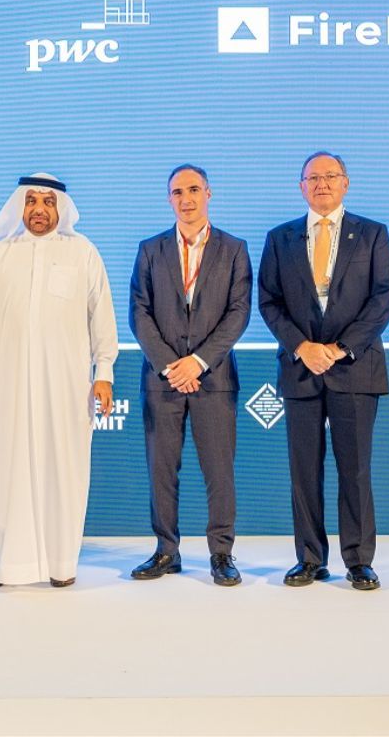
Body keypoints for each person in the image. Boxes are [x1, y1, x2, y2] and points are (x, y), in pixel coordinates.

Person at [0, 174, 118, 588]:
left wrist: (104, 374)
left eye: (48, 202)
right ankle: (9, 563)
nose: (38, 209)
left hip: (67, 387)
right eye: (31, 200)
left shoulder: (83, 252)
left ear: (60, 209)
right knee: (8, 471)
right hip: (10, 386)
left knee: (64, 470)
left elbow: (102, 317)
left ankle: (61, 564)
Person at [257, 151, 389, 591]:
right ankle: (310, 558)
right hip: (301, 369)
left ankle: (359, 561)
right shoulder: (279, 238)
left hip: (354, 367)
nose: (322, 184)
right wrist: (302, 347)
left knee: (354, 470)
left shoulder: (372, 234)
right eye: (313, 178)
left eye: (330, 176)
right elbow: (269, 302)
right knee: (304, 471)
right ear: (301, 187)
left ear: (345, 183)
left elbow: (383, 300)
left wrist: (338, 349)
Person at [129, 164, 252, 586]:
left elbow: (238, 314)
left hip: (213, 379)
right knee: (162, 469)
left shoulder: (234, 249)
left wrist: (197, 362)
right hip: (161, 380)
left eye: (194, 189)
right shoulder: (150, 250)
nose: (186, 199)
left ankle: (221, 553)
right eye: (178, 192)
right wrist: (170, 365)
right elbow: (139, 313)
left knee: (219, 471)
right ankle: (166, 550)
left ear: (208, 194)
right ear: (169, 199)